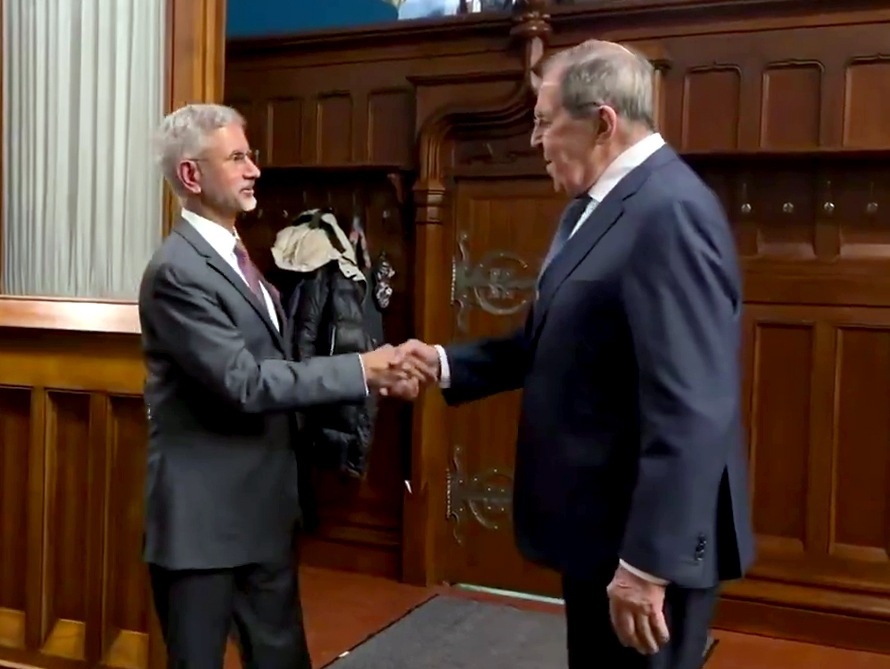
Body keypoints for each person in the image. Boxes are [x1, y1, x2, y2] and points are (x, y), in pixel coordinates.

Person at [395, 40, 755, 669]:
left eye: (543, 121)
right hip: (600, 537)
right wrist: (442, 364)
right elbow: (552, 343)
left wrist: (646, 565)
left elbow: (693, 406)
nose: (535, 140)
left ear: (603, 123)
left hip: (643, 550)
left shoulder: (669, 212)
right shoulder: (592, 210)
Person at [138, 103, 415, 669]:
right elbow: (243, 383)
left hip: (264, 515)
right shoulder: (177, 272)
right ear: (191, 174)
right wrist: (361, 369)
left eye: (251, 156)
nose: (255, 170)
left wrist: (374, 381)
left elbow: (283, 367)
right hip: (204, 527)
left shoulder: (240, 259)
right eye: (237, 158)